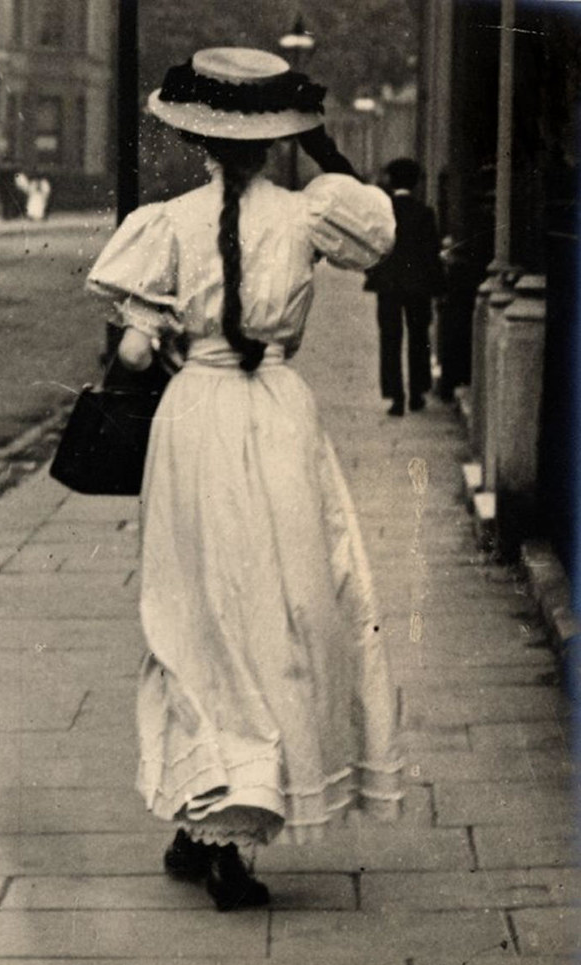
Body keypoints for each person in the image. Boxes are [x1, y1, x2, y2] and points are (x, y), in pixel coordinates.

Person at [87, 47, 402, 912]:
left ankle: (203, 823)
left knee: (192, 616)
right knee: (281, 607)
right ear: (276, 143)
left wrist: (159, 339)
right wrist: (325, 149)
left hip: (194, 421)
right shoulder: (308, 217)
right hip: (275, 418)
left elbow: (132, 350)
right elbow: (376, 226)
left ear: (200, 141)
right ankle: (228, 832)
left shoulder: (166, 222)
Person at [365, 157, 446, 416]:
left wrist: (374, 273)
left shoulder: (383, 211)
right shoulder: (425, 213)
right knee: (419, 337)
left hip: (388, 284)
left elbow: (373, 246)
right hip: (418, 286)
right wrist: (438, 286)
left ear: (391, 181)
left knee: (390, 339)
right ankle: (417, 393)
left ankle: (395, 397)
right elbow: (431, 253)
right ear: (415, 182)